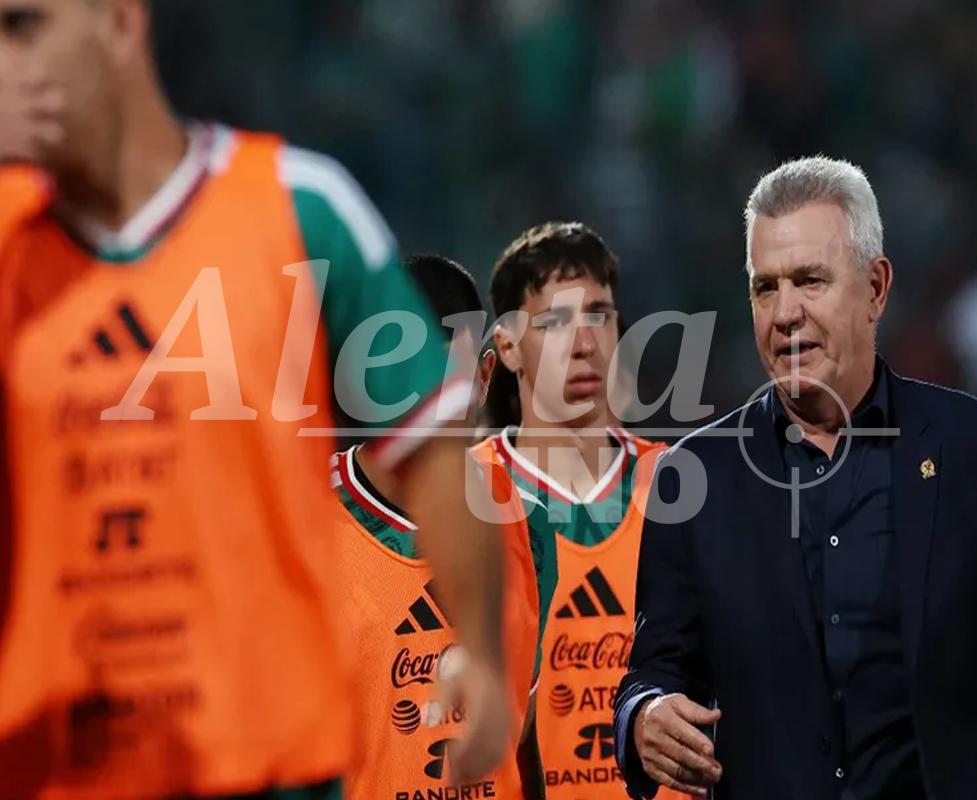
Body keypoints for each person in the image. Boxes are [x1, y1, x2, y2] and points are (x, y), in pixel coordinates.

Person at [0, 1, 509, 798]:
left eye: (22, 27)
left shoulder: (297, 208)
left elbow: (435, 447)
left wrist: (479, 649)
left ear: (120, 23)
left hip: (269, 768)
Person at [614, 156, 977, 800]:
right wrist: (644, 716)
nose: (785, 312)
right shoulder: (694, 477)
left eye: (810, 280)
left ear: (875, 288)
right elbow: (655, 671)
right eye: (765, 288)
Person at [336, 253, 548, 800]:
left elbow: (526, 743)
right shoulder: (305, 525)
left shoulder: (526, 522)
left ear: (484, 377)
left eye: (448, 386)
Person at [483, 222, 683, 800]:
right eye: (553, 322)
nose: (584, 342)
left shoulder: (677, 484)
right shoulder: (467, 495)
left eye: (599, 314)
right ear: (508, 347)